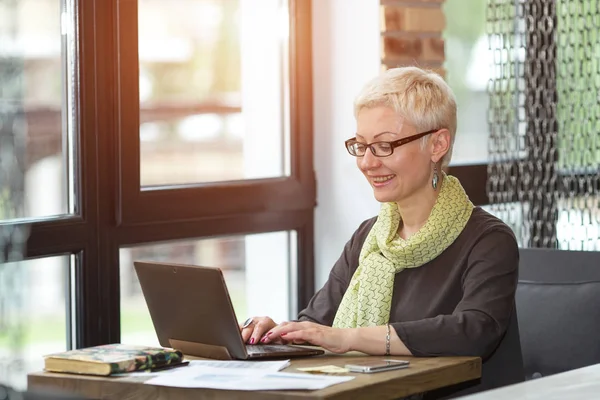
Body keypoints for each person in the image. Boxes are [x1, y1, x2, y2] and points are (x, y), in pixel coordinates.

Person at [241, 66, 524, 398]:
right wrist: (276, 333)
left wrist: (350, 338)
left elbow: (476, 331)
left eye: (385, 146)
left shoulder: (489, 240)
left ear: (437, 145)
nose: (367, 162)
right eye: (361, 146)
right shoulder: (370, 237)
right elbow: (317, 324)